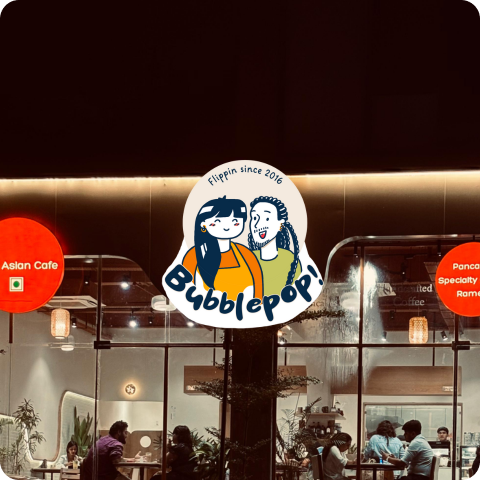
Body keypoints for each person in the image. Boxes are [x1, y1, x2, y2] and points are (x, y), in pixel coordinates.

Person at [183, 197, 264, 301]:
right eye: (217, 222)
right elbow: (184, 293)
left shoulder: (245, 253)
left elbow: (258, 290)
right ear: (203, 224)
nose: (226, 227)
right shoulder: (194, 255)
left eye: (235, 222)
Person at [248, 196, 301, 297]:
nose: (257, 224)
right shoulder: (246, 258)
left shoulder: (291, 260)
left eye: (267, 218)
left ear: (280, 224)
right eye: (254, 218)